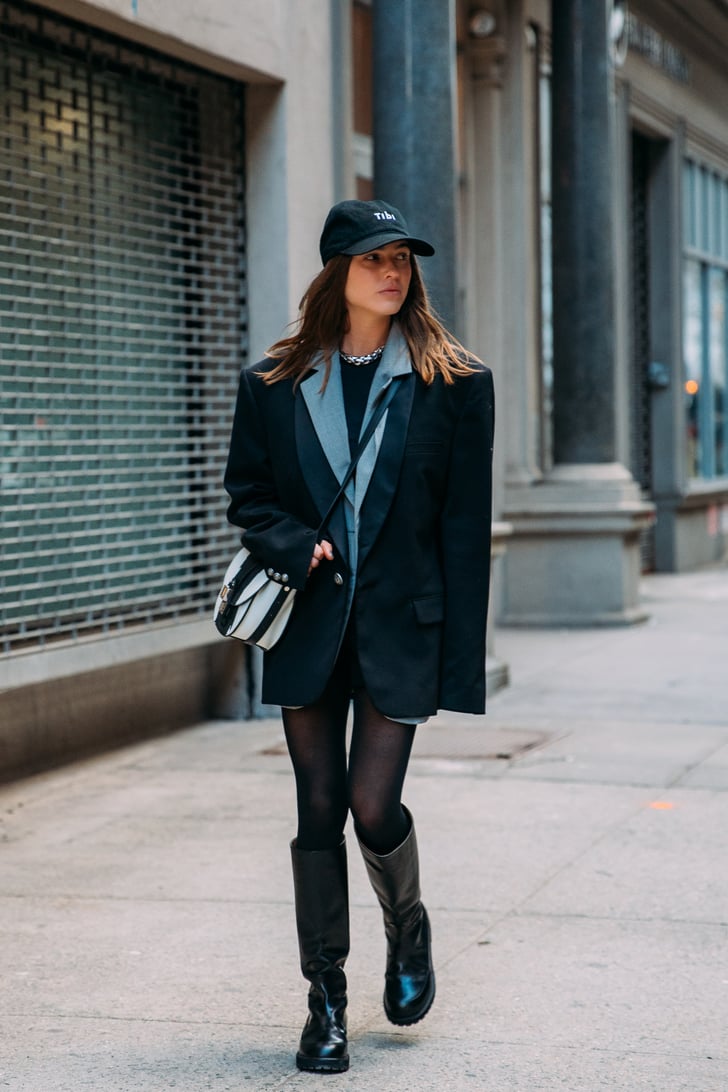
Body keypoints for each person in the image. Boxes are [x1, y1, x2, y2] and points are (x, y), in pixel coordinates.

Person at [224, 199, 494, 1074]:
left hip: (400, 629)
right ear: (338, 270)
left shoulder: (455, 383)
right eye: (375, 257)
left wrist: (458, 669)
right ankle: (325, 998)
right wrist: (293, 544)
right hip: (308, 623)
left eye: (403, 259)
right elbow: (248, 497)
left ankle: (406, 924)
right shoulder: (271, 383)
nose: (394, 271)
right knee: (316, 809)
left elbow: (463, 531)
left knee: (373, 809)